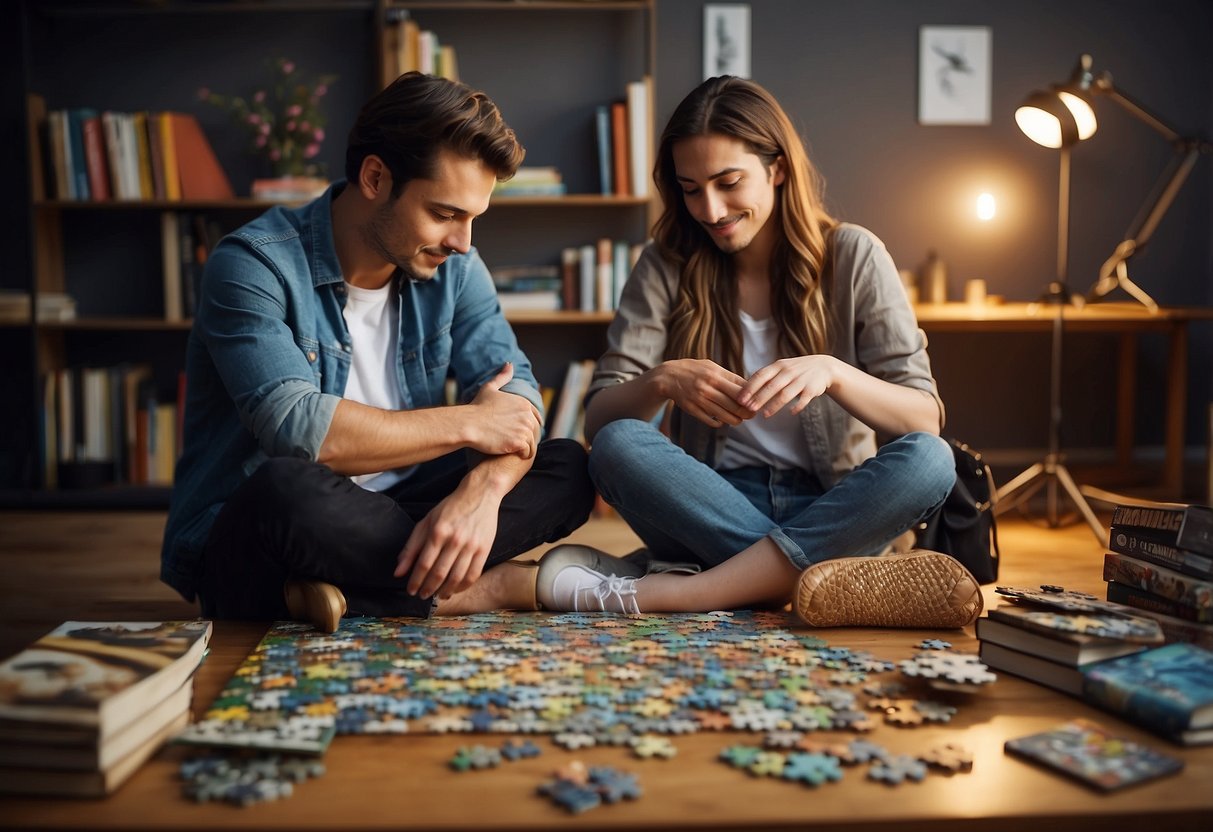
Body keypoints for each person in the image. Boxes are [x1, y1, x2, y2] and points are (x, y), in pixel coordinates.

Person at [532, 76, 982, 628]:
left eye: (728, 182)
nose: (711, 208)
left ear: (777, 169)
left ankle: (689, 589)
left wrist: (834, 373)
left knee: (931, 460)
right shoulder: (667, 262)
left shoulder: (854, 255)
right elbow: (601, 420)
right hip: (712, 501)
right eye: (690, 188)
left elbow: (923, 418)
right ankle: (812, 582)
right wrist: (663, 381)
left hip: (836, 502)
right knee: (618, 444)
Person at [161, 72, 595, 633]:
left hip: (395, 510)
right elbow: (302, 430)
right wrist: (469, 423)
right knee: (282, 487)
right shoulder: (252, 265)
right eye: (444, 214)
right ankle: (481, 587)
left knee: (571, 466)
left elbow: (518, 396)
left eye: (472, 218)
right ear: (374, 177)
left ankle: (345, 588)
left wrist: (480, 495)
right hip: (285, 519)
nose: (463, 242)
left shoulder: (456, 266)